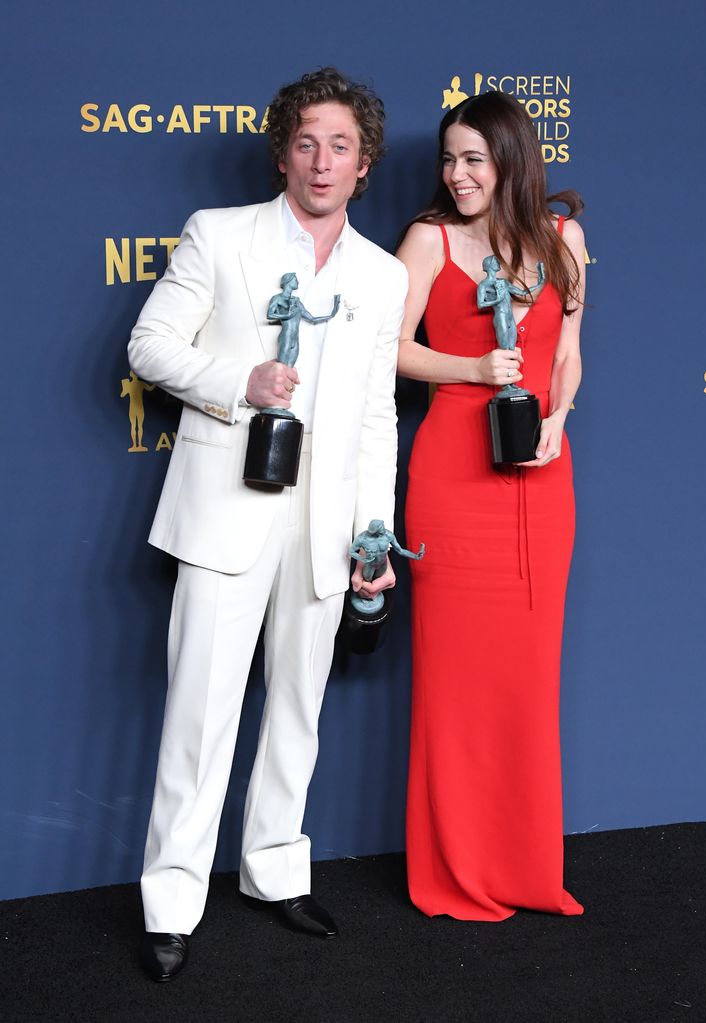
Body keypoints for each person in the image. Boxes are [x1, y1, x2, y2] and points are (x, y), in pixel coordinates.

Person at [128, 67, 408, 981]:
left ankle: (274, 869)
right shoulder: (222, 235)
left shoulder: (382, 272)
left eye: (340, 146)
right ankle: (172, 902)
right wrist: (238, 381)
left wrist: (376, 536)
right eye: (305, 141)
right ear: (281, 149)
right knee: (200, 714)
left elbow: (375, 416)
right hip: (227, 509)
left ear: (363, 165)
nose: (321, 161)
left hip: (327, 525)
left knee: (298, 708)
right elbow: (149, 343)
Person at [396, 90, 586, 921]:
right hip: (452, 479)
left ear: (512, 158)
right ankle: (455, 869)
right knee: (455, 681)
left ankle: (526, 868)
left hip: (541, 480)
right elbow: (389, 350)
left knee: (527, 679)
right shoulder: (428, 241)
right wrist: (473, 371)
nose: (458, 173)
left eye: (474, 157)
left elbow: (570, 352)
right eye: (450, 158)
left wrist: (558, 417)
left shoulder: (563, 238)